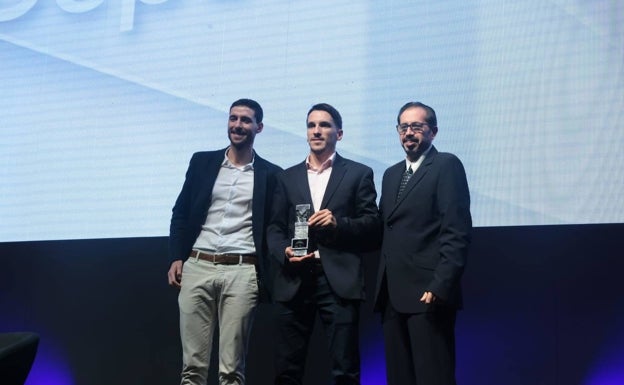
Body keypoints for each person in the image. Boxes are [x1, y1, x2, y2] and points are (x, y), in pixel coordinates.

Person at [167, 98, 282, 385]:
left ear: (259, 127)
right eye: (233, 118)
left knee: (231, 369)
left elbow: (273, 228)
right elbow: (180, 213)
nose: (237, 125)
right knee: (192, 368)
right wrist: (177, 257)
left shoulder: (271, 174)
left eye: (245, 120)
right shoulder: (202, 161)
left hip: (242, 271)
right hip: (198, 265)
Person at [267, 103, 380, 385]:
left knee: (345, 370)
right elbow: (274, 227)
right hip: (293, 278)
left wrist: (338, 223)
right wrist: (284, 251)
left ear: (339, 134)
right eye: (311, 125)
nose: (317, 130)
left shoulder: (358, 173)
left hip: (338, 280)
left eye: (324, 125)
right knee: (287, 371)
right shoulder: (286, 177)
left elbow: (373, 226)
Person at [373, 101, 472, 385]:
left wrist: (440, 285)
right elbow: (383, 226)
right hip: (392, 295)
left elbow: (457, 231)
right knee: (399, 378)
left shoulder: (446, 165)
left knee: (433, 377)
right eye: (403, 127)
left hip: (429, 296)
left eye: (417, 126)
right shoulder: (392, 174)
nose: (409, 132)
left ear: (433, 132)